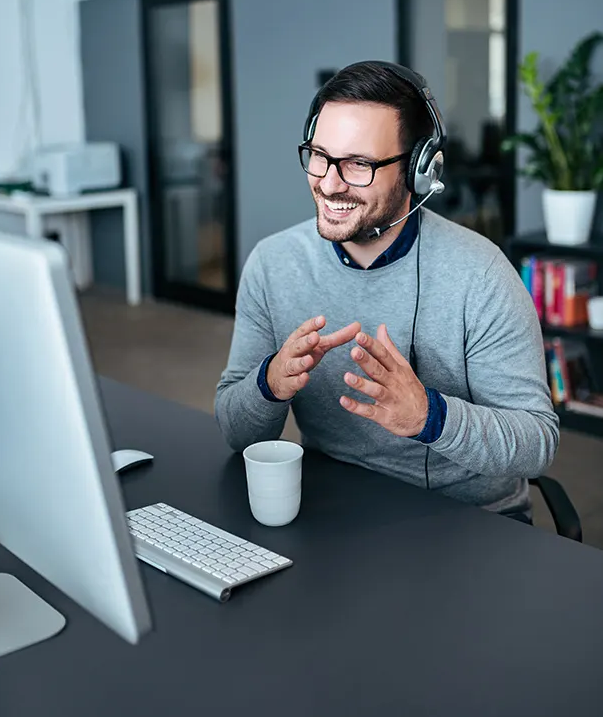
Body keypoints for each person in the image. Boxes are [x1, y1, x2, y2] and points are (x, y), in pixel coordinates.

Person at [215, 61, 559, 521]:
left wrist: (428, 417)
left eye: (359, 163)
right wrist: (270, 382)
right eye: (319, 155)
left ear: (418, 170)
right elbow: (236, 433)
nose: (330, 183)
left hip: (469, 519)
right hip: (331, 506)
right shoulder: (272, 264)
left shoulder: (481, 275)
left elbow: (536, 445)